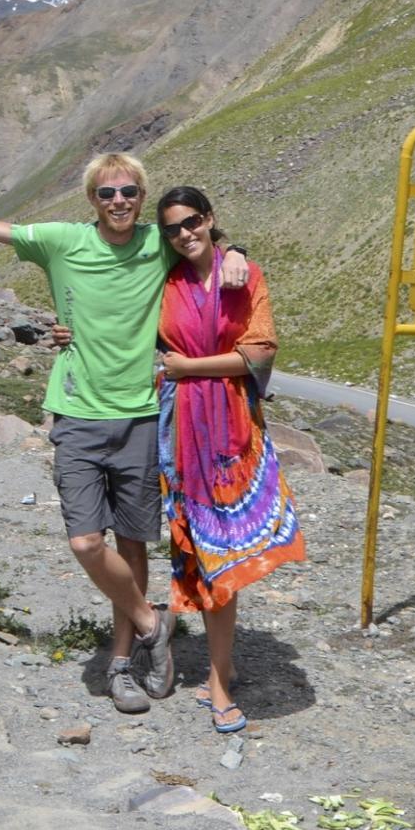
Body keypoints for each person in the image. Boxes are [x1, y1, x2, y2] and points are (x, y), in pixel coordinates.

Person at [0, 152, 244, 715]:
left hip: (143, 413)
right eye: (105, 193)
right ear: (91, 199)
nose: (118, 201)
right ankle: (151, 623)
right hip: (77, 412)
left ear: (141, 197)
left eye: (128, 192)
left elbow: (203, 244)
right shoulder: (62, 242)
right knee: (86, 541)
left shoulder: (156, 242)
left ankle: (122, 664)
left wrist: (237, 253)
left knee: (134, 542)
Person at [150, 185, 304, 734]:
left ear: (210, 219)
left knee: (225, 559)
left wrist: (189, 369)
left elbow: (259, 351)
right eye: (172, 228)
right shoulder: (163, 280)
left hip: (232, 431)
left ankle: (218, 679)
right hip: (179, 434)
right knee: (207, 554)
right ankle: (218, 669)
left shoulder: (245, 275)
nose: (184, 234)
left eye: (192, 222)